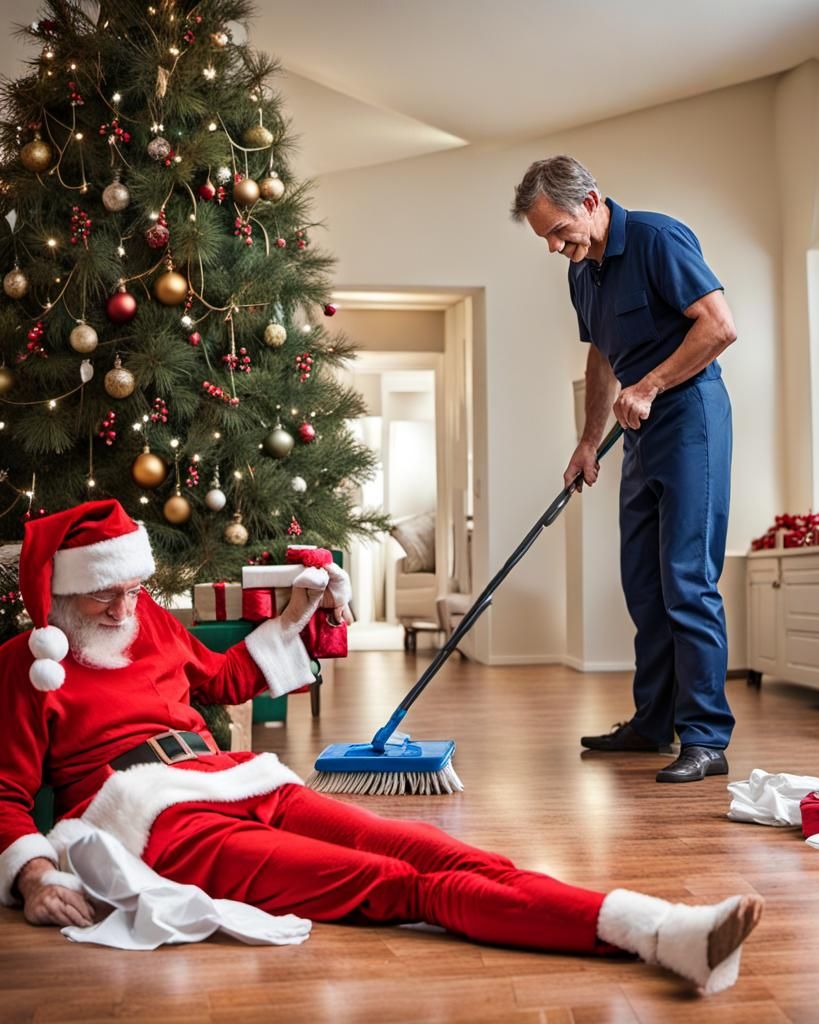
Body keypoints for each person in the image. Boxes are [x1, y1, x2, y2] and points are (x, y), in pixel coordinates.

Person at [0, 500, 762, 993]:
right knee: (398, 885)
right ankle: (655, 936)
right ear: (64, 594)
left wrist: (299, 613)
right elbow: (5, 793)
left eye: (133, 587)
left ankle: (659, 922)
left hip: (240, 777)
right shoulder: (27, 665)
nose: (124, 605)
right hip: (155, 820)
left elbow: (230, 677)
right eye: (106, 593)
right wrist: (34, 874)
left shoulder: (152, 625)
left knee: (431, 850)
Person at [512, 156, 737, 783]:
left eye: (559, 230)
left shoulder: (659, 239)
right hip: (635, 428)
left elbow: (719, 327)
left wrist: (652, 384)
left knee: (687, 578)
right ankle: (651, 723)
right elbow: (600, 360)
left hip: (689, 414)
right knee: (643, 580)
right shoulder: (584, 273)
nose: (557, 247)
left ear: (589, 200)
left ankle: (705, 737)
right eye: (547, 240)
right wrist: (586, 442)